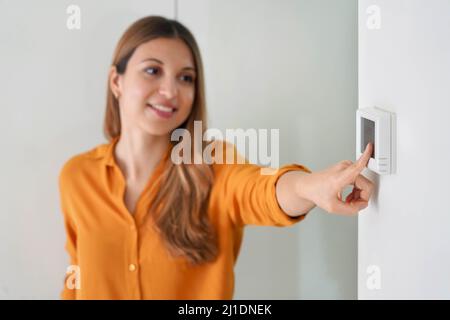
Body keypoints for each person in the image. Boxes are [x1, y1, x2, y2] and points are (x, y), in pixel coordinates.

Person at [58, 16, 374, 299]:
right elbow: (76, 277)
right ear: (117, 81)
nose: (170, 90)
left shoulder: (213, 163)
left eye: (186, 78)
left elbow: (257, 190)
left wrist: (310, 187)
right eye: (153, 71)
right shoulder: (77, 176)